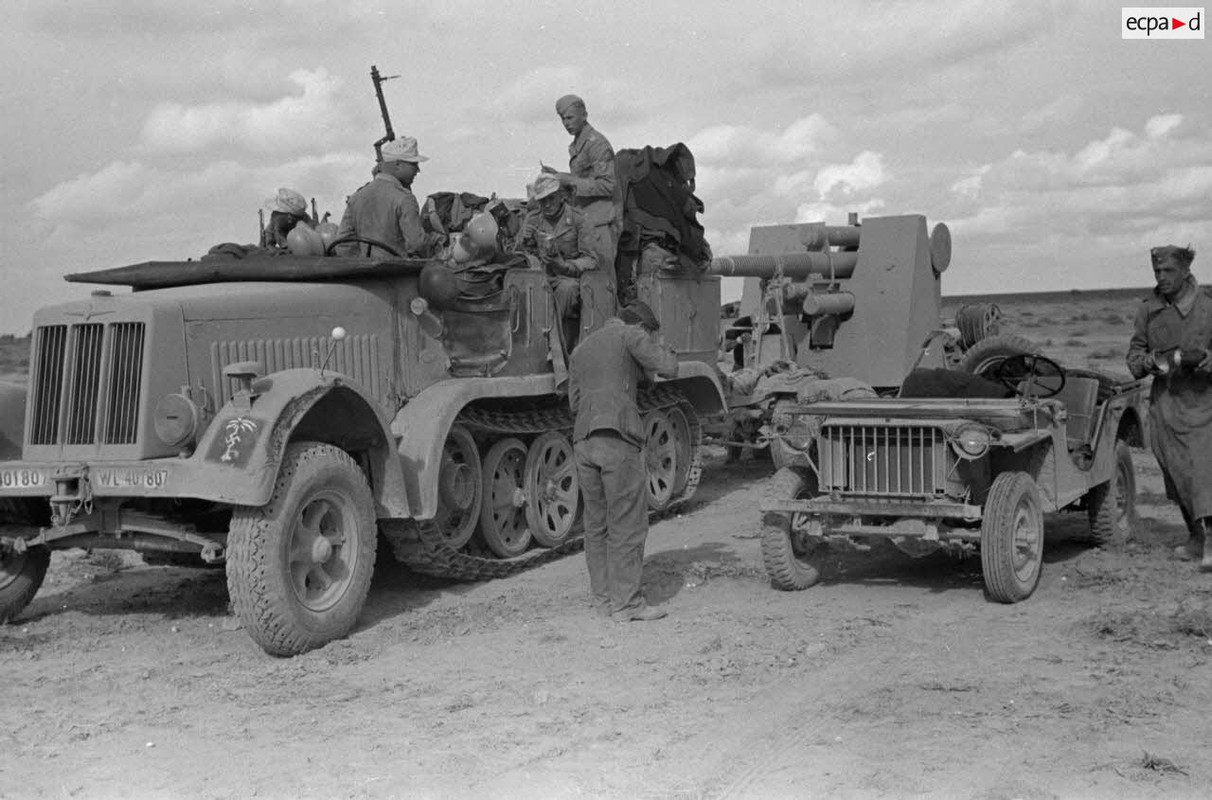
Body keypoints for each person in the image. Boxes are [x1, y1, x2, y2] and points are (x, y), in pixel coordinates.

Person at [568, 301, 679, 622]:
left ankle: (603, 602)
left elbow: (575, 403)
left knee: (596, 525)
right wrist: (661, 352)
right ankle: (627, 605)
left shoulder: (582, 348)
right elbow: (668, 368)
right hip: (618, 438)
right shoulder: (631, 335)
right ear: (642, 327)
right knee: (628, 524)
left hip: (585, 440)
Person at [1126, 245, 1212, 571]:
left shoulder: (1208, 307)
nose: (1161, 277)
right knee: (1176, 475)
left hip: (1203, 400)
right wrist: (1151, 361)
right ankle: (1195, 539)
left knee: (1203, 471)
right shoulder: (1148, 311)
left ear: (1185, 272)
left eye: (1168, 271)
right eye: (1157, 272)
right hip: (1164, 404)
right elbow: (1133, 359)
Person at [543, 95, 618, 284]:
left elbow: (608, 185)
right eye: (563, 119)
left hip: (599, 225)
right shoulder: (578, 144)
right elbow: (584, 182)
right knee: (588, 287)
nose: (566, 123)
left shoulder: (597, 144)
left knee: (603, 286)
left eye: (570, 118)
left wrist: (569, 179)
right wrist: (559, 177)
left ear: (584, 115)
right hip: (585, 224)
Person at [336, 136, 444, 258]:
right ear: (398, 164)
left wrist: (364, 264)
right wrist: (434, 243)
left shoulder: (356, 197)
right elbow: (417, 245)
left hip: (362, 272)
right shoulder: (404, 198)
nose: (417, 170)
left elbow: (342, 245)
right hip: (395, 273)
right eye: (414, 164)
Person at [517, 173, 599, 332]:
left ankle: (551, 335)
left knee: (567, 289)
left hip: (567, 277)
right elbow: (517, 258)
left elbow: (592, 260)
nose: (547, 204)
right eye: (542, 200)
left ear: (561, 196)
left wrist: (566, 265)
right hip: (540, 277)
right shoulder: (532, 219)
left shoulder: (579, 220)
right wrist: (525, 242)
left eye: (551, 198)